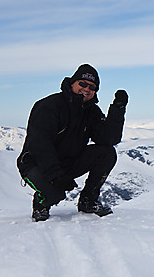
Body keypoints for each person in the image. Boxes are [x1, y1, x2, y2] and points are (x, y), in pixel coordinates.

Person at [17, 64, 128, 222]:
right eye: (82, 84)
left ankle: (88, 201)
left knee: (107, 153)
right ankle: (41, 203)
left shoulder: (91, 111)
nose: (86, 89)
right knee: (55, 194)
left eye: (92, 87)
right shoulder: (49, 106)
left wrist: (118, 109)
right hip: (35, 163)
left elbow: (109, 139)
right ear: (72, 84)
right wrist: (56, 176)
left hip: (68, 162)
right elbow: (40, 145)